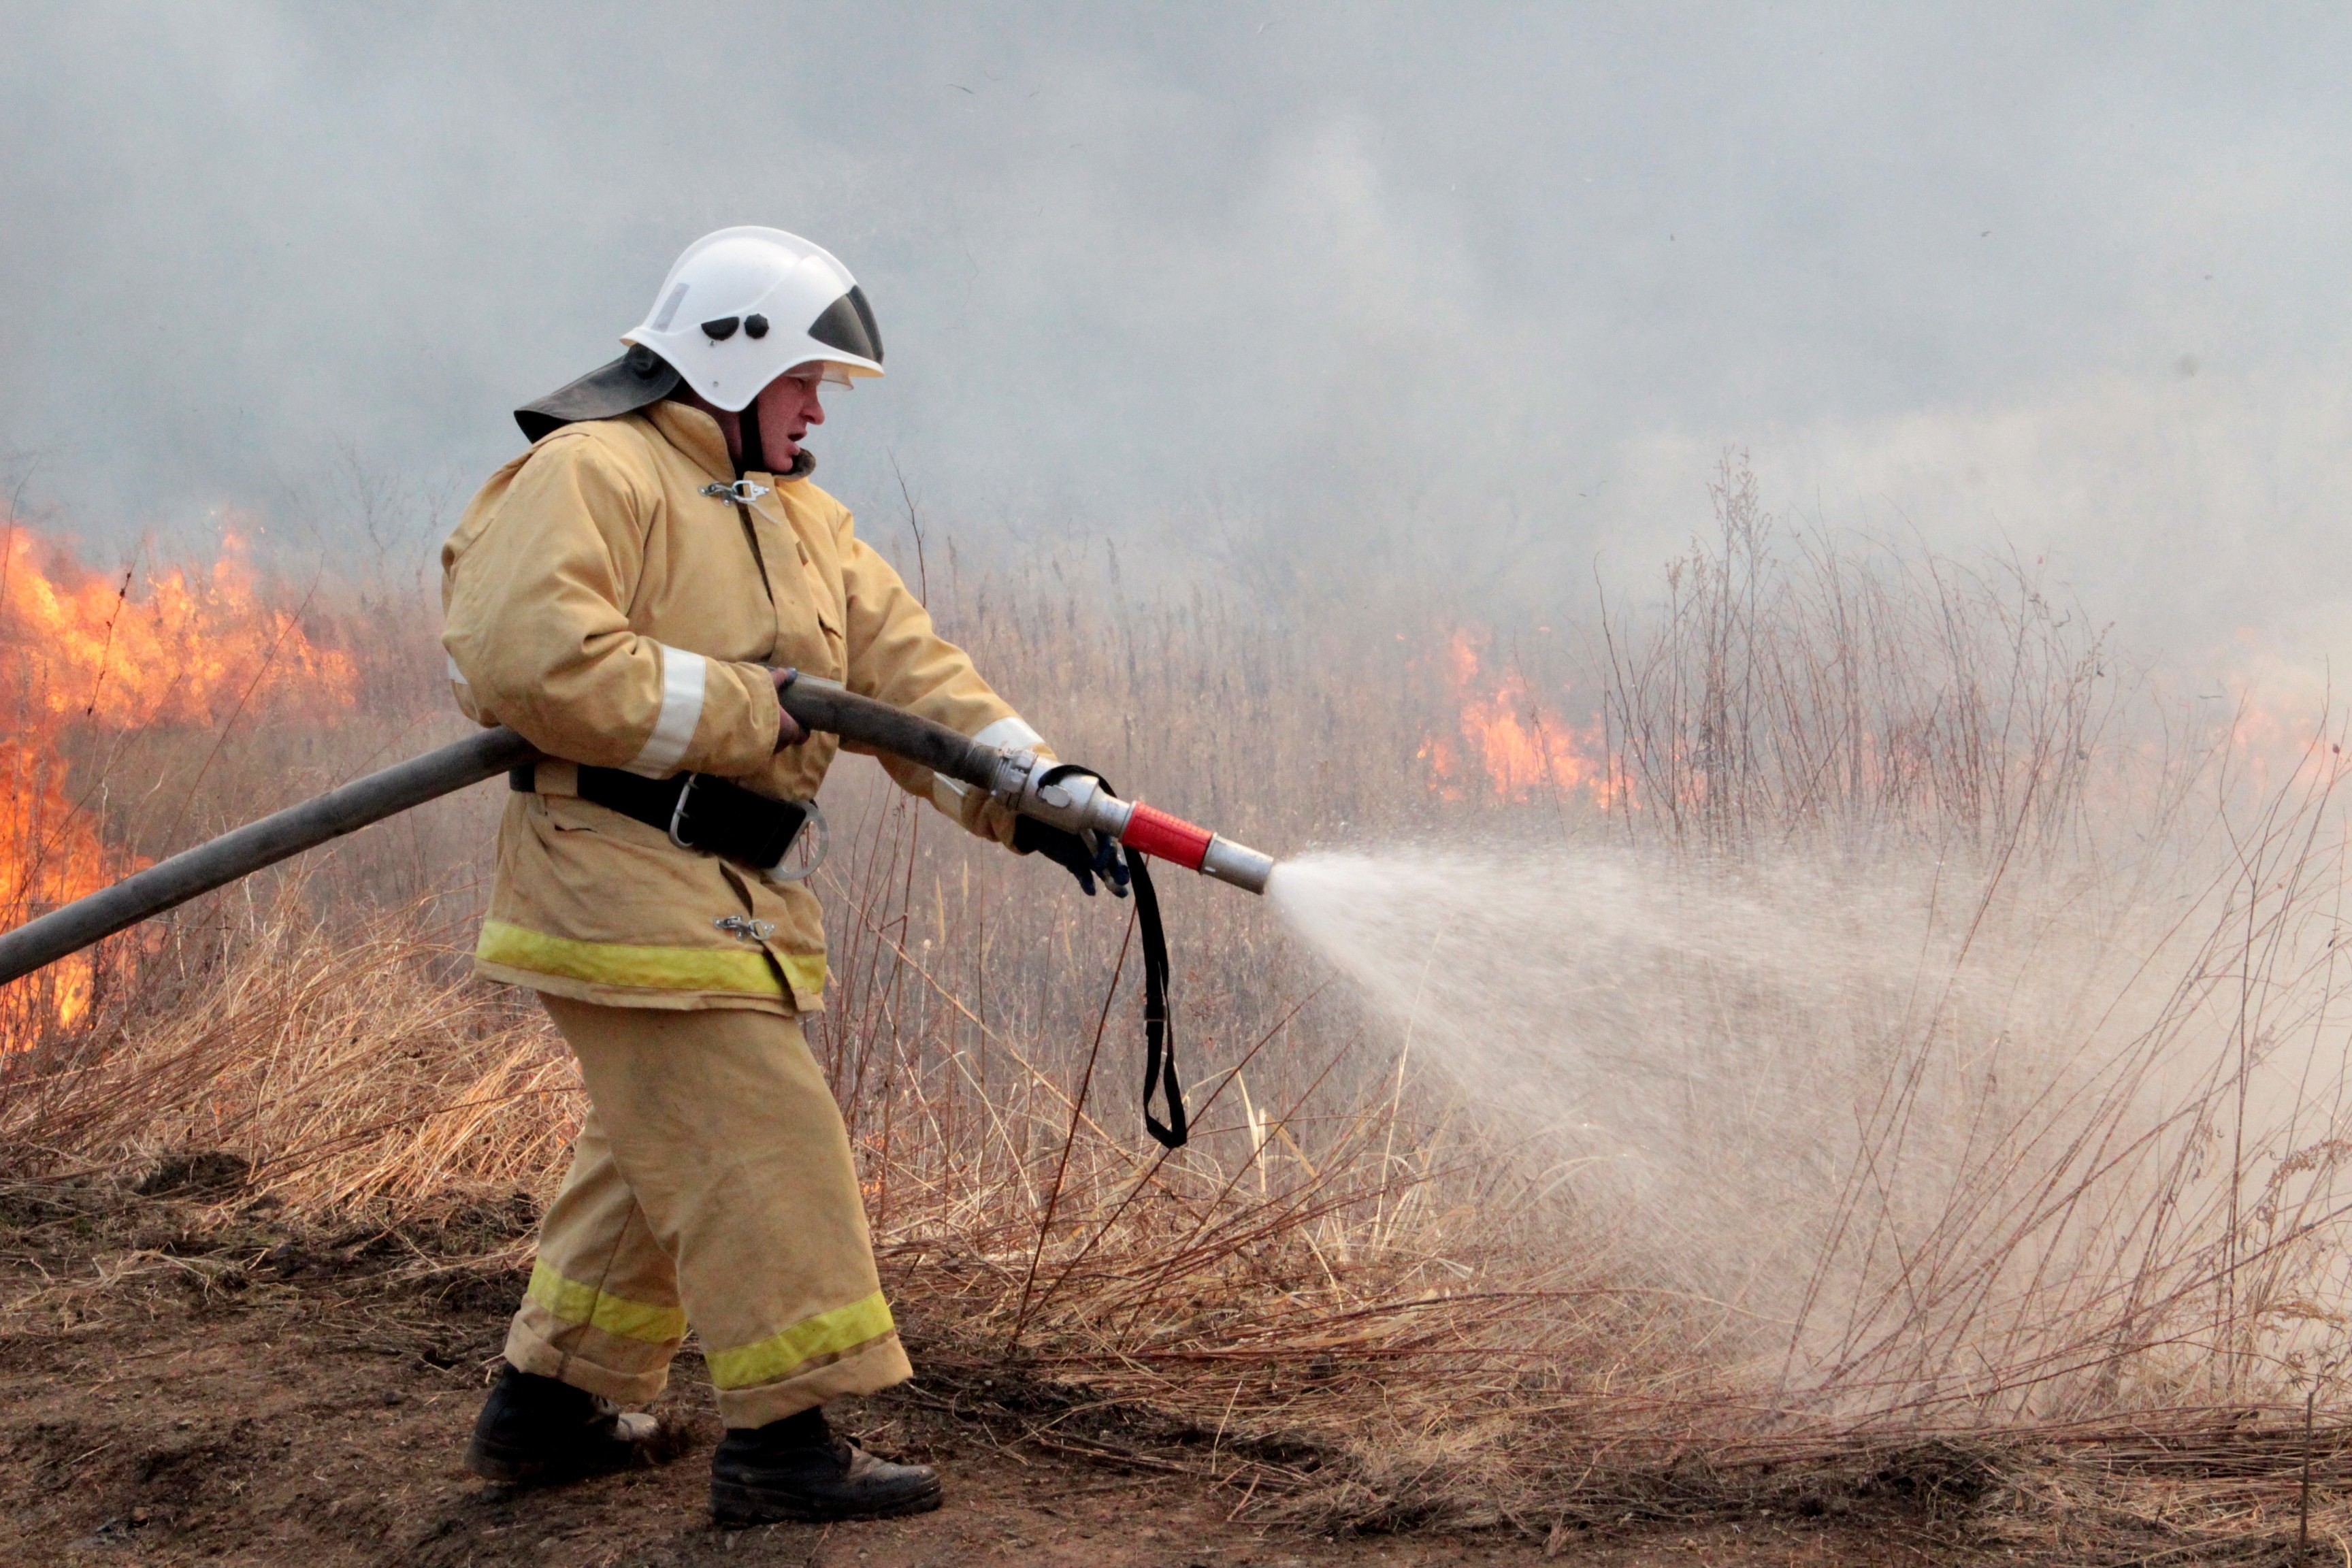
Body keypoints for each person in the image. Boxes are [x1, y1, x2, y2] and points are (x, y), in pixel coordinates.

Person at [438, 227, 1121, 1524]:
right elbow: (531, 660)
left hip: (726, 891)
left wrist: (1032, 787)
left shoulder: (798, 516)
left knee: (661, 1152)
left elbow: (908, 678)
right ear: (727, 357)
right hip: (614, 876)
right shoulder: (593, 472)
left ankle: (551, 1404)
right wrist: (757, 709)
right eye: (807, 381)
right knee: (763, 1142)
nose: (819, 410)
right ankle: (786, 1446)